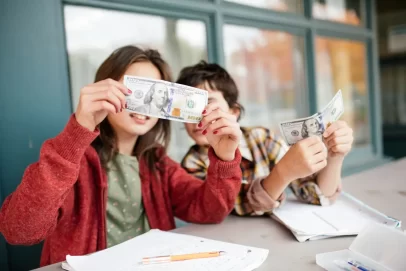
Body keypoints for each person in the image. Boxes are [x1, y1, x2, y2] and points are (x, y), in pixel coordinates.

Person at [0, 47, 242, 266]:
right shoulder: (71, 158)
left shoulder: (158, 164)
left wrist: (224, 158)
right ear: (106, 89)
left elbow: (211, 211)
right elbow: (19, 231)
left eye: (159, 94)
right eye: (137, 90)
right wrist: (79, 129)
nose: (147, 102)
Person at [178, 61, 354, 216]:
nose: (198, 116)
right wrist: (283, 172)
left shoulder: (261, 139)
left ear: (234, 112)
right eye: (189, 107)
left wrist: (335, 156)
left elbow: (317, 195)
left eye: (207, 103)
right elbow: (237, 205)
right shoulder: (191, 163)